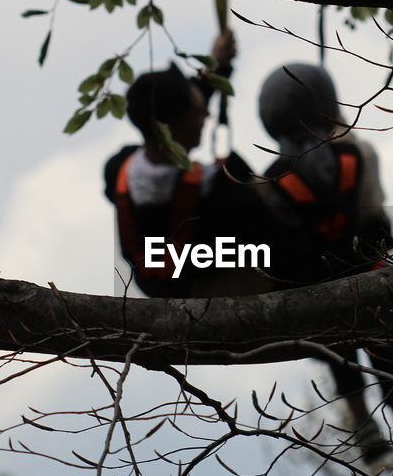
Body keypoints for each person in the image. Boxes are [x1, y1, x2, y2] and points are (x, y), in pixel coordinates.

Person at [258, 62, 393, 476]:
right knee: (386, 350)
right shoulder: (358, 154)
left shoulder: (271, 180)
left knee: (337, 349)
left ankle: (363, 424)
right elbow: (373, 213)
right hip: (367, 273)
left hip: (316, 285)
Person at [104, 31, 276, 298]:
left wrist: (214, 71)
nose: (206, 114)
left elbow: (176, 111)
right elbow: (272, 237)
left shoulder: (119, 169)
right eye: (197, 113)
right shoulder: (219, 195)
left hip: (163, 287)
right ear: (174, 126)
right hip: (213, 292)